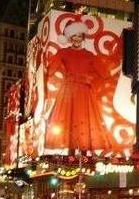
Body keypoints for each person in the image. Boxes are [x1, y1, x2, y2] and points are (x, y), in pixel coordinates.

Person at [44, 20, 113, 152]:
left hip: (84, 91)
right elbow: (51, 69)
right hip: (68, 92)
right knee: (68, 122)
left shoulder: (89, 55)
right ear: (70, 38)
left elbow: (105, 74)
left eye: (79, 36)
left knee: (84, 122)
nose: (76, 38)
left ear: (83, 38)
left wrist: (90, 80)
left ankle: (84, 157)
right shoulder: (63, 52)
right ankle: (70, 157)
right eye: (74, 36)